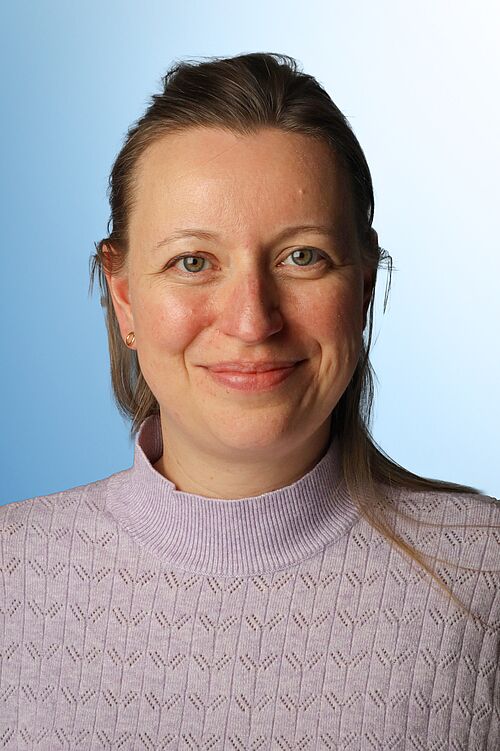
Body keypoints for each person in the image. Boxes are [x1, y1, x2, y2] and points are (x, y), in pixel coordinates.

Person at [1, 53, 498, 750]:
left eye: (302, 256)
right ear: (125, 298)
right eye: (193, 262)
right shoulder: (12, 571)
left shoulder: (486, 575)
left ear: (361, 288)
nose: (251, 320)